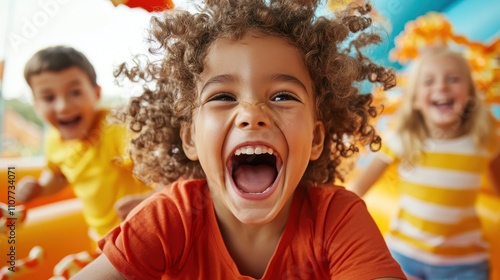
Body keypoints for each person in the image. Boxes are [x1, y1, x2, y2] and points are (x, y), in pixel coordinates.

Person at [74, 0, 406, 279]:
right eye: (222, 97)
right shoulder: (169, 219)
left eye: (282, 97)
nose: (252, 113)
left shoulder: (337, 218)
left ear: (316, 138)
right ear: (190, 137)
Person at [349, 47, 500, 279]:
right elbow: (357, 190)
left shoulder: (484, 141)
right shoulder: (403, 139)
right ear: (416, 100)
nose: (441, 87)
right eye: (429, 81)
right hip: (404, 254)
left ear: (470, 93)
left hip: (464, 263)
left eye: (453, 79)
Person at [18, 46, 154, 254]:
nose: (63, 106)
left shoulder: (115, 127)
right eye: (48, 98)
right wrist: (40, 187)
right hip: (101, 240)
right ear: (36, 104)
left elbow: (161, 168)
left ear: (96, 93)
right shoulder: (53, 139)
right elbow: (59, 174)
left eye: (75, 92)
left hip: (141, 234)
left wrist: (150, 200)